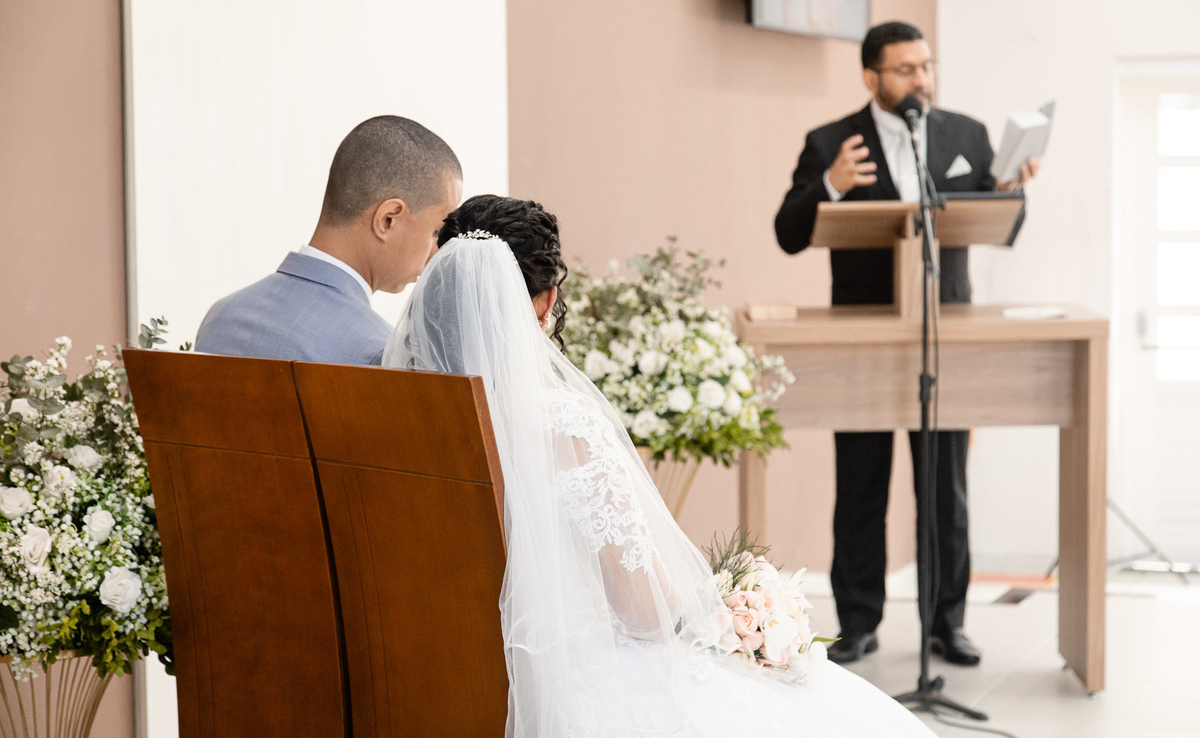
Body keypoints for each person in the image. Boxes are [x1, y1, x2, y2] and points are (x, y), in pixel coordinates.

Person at [384, 194, 936, 737]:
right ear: (544, 302)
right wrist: (718, 610)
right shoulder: (563, 423)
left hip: (444, 666)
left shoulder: (398, 412)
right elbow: (642, 613)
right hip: (563, 680)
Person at [773, 21, 1039, 667]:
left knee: (945, 489)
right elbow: (787, 230)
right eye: (906, 70)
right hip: (863, 339)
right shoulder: (830, 141)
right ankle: (858, 623)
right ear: (871, 78)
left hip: (945, 336)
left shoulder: (964, 134)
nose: (922, 79)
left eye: (926, 66)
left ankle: (946, 624)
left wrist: (1010, 192)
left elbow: (1000, 221)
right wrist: (830, 184)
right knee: (860, 483)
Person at [195, 115, 462, 364]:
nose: (435, 253)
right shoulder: (379, 353)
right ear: (387, 219)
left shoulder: (221, 316)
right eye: (435, 233)